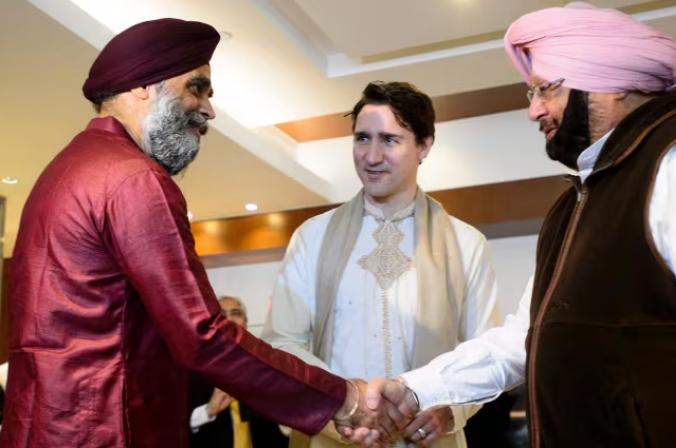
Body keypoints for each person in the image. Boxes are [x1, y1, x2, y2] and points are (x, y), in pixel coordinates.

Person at [362, 2, 676, 448]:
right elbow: (521, 340)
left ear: (611, 83)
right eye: (529, 94)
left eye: (545, 89)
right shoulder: (573, 206)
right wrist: (415, 389)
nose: (534, 111)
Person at [0, 18, 388, 448]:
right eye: (196, 88)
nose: (208, 109)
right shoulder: (134, 179)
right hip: (111, 429)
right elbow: (203, 335)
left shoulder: (63, 170)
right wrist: (340, 397)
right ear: (144, 85)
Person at [263, 81, 500, 448]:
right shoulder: (312, 237)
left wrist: (449, 409)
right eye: (362, 139)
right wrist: (345, 402)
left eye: (389, 140)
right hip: (335, 434)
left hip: (428, 436)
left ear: (424, 146)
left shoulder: (466, 243)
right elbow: (282, 341)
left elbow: (486, 351)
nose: (371, 156)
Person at [189, 296, 289, 448]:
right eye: (221, 314)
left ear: (246, 323)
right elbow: (172, 427)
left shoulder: (264, 368)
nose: (228, 319)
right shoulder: (193, 369)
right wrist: (209, 410)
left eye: (236, 313)